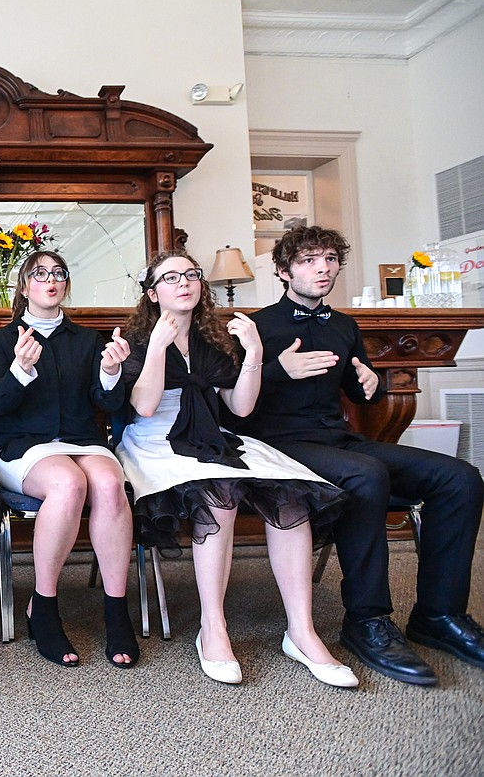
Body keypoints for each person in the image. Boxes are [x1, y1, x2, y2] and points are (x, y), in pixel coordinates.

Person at [235, 225, 484, 685]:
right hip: (278, 443)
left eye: (330, 259)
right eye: (309, 259)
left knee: (461, 478)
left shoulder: (345, 325)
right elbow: (229, 406)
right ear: (283, 270)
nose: (323, 268)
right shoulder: (257, 326)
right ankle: (366, 620)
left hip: (337, 440)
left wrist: (368, 382)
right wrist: (276, 369)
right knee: (366, 475)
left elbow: (355, 389)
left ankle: (439, 615)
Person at [117, 251, 353, 687]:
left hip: (213, 436)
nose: (184, 283)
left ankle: (301, 631)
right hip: (155, 442)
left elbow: (240, 407)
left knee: (292, 494)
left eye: (191, 275)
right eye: (170, 278)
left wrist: (255, 352)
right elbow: (144, 407)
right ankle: (214, 627)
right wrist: (157, 347)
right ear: (153, 293)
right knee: (219, 496)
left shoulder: (214, 340)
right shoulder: (133, 340)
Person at [0, 250, 137, 669]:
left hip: (81, 441)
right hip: (22, 446)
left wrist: (110, 371)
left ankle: (115, 607)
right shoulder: (2, 341)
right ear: (24, 286)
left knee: (109, 484)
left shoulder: (89, 341)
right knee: (69, 484)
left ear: (66, 285)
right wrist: (19, 369)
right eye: (39, 274)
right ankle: (44, 605)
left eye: (58, 274)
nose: (50, 280)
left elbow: (106, 401)